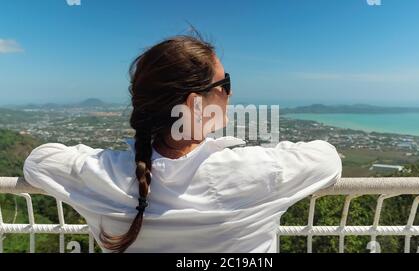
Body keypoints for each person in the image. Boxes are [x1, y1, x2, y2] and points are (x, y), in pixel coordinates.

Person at [23, 34, 342, 253]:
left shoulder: (104, 176)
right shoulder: (257, 172)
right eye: (225, 84)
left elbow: (39, 161)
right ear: (195, 104)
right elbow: (328, 160)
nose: (230, 94)